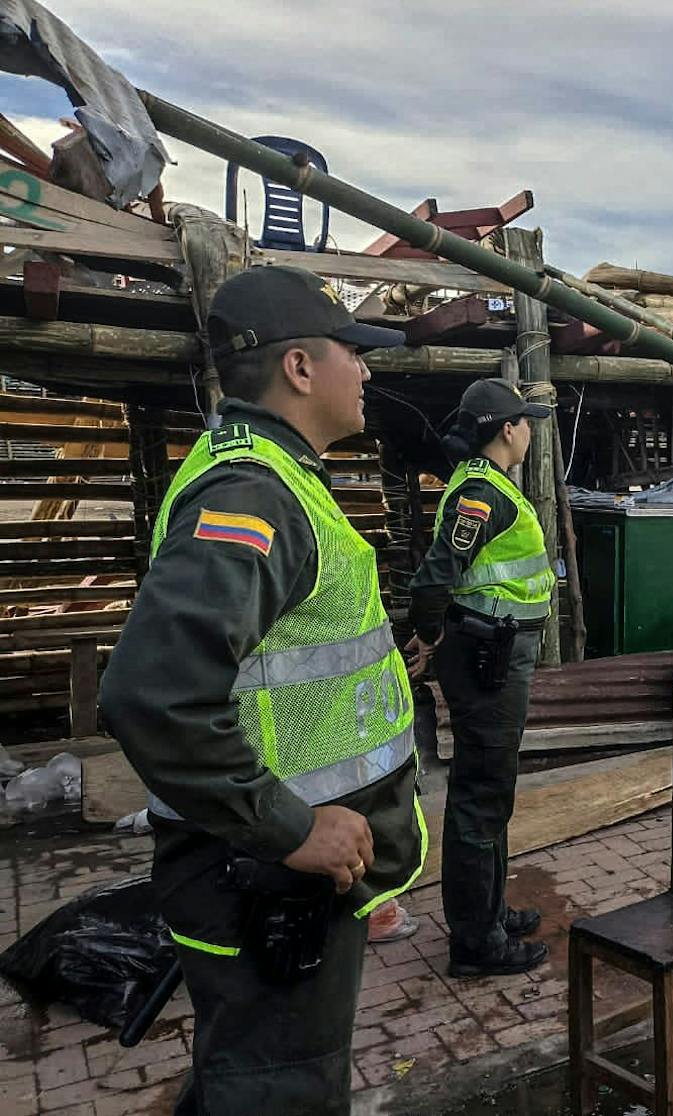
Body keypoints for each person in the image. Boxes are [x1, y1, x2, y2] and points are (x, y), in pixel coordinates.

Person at [100, 266, 422, 1114]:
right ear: (301, 369)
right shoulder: (253, 494)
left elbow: (280, 663)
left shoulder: (276, 475)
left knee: (252, 1081)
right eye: (353, 352)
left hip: (278, 875)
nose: (365, 371)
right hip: (263, 876)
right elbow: (152, 694)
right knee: (277, 1092)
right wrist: (289, 826)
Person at [404, 379, 555, 978]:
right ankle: (476, 942)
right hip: (488, 657)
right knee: (480, 794)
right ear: (507, 429)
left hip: (492, 652)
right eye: (526, 421)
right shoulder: (480, 495)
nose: (531, 430)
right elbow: (432, 580)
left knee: (492, 790)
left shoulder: (486, 487)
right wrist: (432, 632)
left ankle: (490, 913)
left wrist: (436, 632)